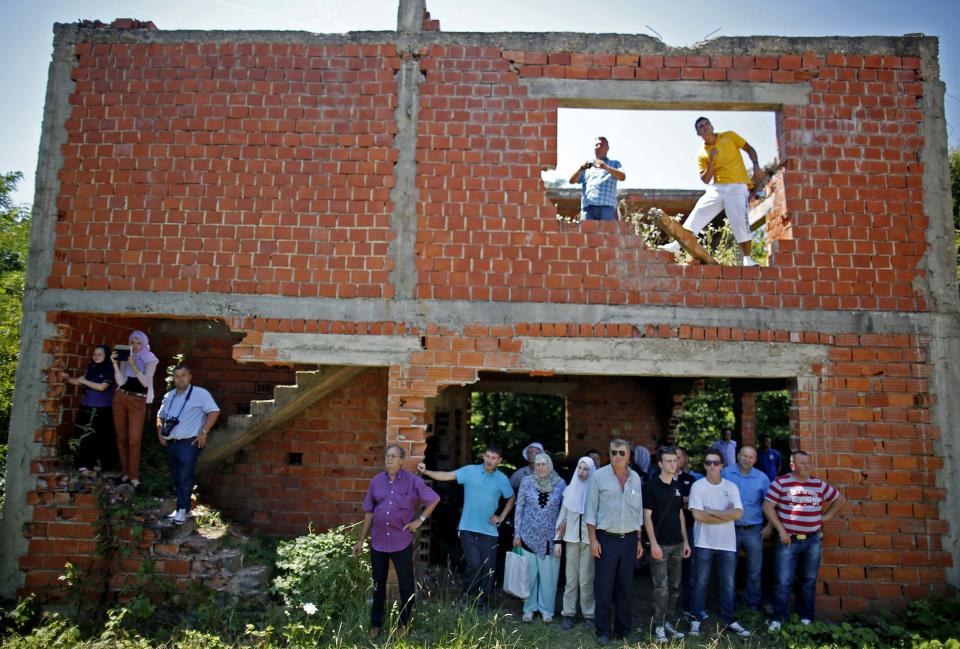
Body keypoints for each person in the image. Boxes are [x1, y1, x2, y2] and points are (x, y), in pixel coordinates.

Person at [354, 444, 440, 640]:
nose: (389, 459)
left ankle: (404, 624)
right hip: (378, 541)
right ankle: (376, 625)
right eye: (387, 456)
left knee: (406, 586)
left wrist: (419, 520)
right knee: (378, 585)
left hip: (401, 541)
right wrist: (361, 540)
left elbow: (434, 499)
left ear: (402, 461)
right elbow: (369, 511)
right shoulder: (376, 481)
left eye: (393, 456)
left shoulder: (412, 481)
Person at [418, 446, 515, 613]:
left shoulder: (502, 479)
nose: (489, 460)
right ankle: (467, 597)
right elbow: (448, 476)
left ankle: (482, 602)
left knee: (488, 568)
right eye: (488, 456)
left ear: (499, 461)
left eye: (494, 458)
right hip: (467, 527)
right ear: (484, 456)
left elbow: (511, 497)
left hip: (489, 530)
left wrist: (501, 517)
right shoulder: (470, 471)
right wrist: (427, 472)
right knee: (474, 563)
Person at [660, 117, 763, 267]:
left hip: (737, 186)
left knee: (739, 221)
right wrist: (712, 160)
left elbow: (749, 149)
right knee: (698, 213)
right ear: (698, 133)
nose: (705, 127)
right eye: (701, 126)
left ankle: (748, 259)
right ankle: (676, 246)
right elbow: (705, 179)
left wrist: (756, 166)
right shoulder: (702, 154)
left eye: (707, 123)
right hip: (717, 188)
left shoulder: (729, 136)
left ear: (712, 125)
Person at [764, 451, 845, 631]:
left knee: (808, 579)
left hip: (812, 540)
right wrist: (780, 530)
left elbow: (840, 499)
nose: (806, 466)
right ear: (793, 465)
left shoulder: (818, 484)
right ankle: (778, 618)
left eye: (808, 462)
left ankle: (806, 617)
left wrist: (825, 517)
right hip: (788, 540)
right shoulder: (781, 482)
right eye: (802, 463)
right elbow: (767, 506)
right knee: (783, 580)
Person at [585, 439, 644, 646]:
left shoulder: (635, 478)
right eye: (613, 452)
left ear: (628, 455)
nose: (617, 456)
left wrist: (638, 539)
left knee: (626, 587)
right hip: (606, 539)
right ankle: (602, 630)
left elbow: (638, 513)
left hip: (628, 539)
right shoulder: (599, 477)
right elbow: (590, 511)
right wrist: (593, 540)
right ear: (608, 454)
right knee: (603, 587)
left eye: (621, 452)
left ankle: (623, 629)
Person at [688, 450, 751, 638]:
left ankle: (730, 619)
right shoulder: (698, 486)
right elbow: (697, 515)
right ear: (705, 465)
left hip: (727, 544)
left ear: (722, 465)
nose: (712, 466)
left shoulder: (731, 486)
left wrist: (711, 512)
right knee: (700, 582)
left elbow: (738, 514)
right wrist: (725, 514)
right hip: (703, 542)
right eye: (708, 463)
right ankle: (695, 619)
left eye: (716, 463)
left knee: (728, 584)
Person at [155, 364, 219, 524]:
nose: (180, 379)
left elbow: (214, 411)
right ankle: (181, 509)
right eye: (177, 376)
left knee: (185, 475)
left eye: (183, 375)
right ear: (173, 378)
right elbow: (160, 415)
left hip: (189, 442)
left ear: (189, 376)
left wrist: (203, 432)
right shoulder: (169, 396)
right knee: (176, 475)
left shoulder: (200, 393)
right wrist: (160, 433)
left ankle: (182, 510)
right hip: (172, 442)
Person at [642, 447, 691, 643]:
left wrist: (686, 541)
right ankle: (658, 626)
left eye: (675, 460)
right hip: (659, 546)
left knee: (675, 586)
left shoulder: (678, 485)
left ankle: (668, 622)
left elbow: (680, 515)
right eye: (669, 461)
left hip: (678, 544)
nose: (673, 463)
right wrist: (653, 543)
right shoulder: (650, 486)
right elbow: (647, 516)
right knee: (661, 588)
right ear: (660, 464)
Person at [514, 453, 565, 623]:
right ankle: (529, 608)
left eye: (544, 464)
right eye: (537, 464)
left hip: (550, 540)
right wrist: (517, 533)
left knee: (549, 578)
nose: (541, 467)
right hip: (528, 536)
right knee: (529, 577)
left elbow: (564, 514)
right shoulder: (527, 482)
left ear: (549, 465)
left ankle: (546, 610)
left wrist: (559, 539)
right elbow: (519, 508)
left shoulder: (560, 484)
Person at [721, 445, 771, 611]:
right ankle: (729, 604)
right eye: (744, 456)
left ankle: (753, 605)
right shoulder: (726, 473)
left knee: (754, 570)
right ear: (738, 456)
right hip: (729, 529)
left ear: (755, 460)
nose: (747, 459)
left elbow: (770, 504)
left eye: (751, 457)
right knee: (729, 570)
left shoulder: (762, 478)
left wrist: (770, 525)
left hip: (754, 530)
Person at [111, 330, 159, 490]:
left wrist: (134, 365)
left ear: (144, 343)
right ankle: (125, 473)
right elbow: (120, 381)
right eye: (133, 342)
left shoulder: (150, 359)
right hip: (121, 397)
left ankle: (134, 477)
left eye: (139, 343)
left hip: (138, 400)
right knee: (121, 437)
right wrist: (115, 364)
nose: (136, 346)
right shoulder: (126, 356)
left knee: (134, 440)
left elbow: (145, 382)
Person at [61, 345, 116, 477]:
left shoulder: (110, 369)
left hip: (102, 410)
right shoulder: (91, 368)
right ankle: (82, 466)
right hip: (86, 406)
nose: (96, 356)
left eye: (100, 354)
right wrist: (67, 378)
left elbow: (102, 387)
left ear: (106, 356)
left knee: (98, 438)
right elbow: (80, 382)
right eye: (94, 354)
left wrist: (84, 380)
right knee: (82, 436)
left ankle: (96, 465)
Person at [555, 456, 596, 630]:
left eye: (586, 469)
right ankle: (568, 613)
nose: (582, 472)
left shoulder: (596, 492)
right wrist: (557, 541)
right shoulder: (569, 490)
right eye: (580, 468)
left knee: (586, 580)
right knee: (571, 579)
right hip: (570, 539)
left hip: (588, 541)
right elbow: (561, 517)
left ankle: (589, 614)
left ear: (591, 471)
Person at [568, 136, 626, 221]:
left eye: (602, 145)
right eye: (597, 145)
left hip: (607, 207)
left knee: (607, 233)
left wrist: (606, 167)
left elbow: (622, 177)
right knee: (587, 233)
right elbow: (571, 181)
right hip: (588, 208)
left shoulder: (614, 164)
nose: (599, 147)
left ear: (607, 148)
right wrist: (581, 169)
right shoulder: (587, 166)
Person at [675, 446, 702, 617]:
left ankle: (688, 608)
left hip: (690, 530)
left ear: (685, 460)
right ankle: (668, 610)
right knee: (670, 573)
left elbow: (693, 502)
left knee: (689, 571)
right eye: (672, 457)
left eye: (679, 457)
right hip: (668, 531)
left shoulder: (691, 479)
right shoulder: (660, 478)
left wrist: (676, 500)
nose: (675, 460)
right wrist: (681, 501)